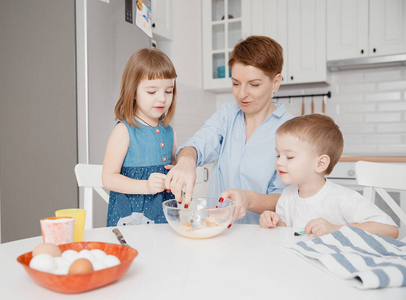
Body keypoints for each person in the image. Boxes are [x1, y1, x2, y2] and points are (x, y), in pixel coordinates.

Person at [165, 36, 293, 225]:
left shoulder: (291, 129)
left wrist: (248, 199)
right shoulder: (227, 116)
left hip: (264, 237)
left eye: (254, 85)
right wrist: (186, 161)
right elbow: (198, 143)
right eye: (235, 83)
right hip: (218, 230)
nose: (242, 94)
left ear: (275, 82)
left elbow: (288, 198)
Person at [259, 114, 399, 238]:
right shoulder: (287, 195)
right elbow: (290, 233)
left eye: (289, 157)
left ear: (320, 163)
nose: (279, 162)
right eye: (278, 155)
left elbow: (391, 230)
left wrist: (336, 229)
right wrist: (275, 222)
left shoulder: (342, 198)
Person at [102, 48, 177, 227]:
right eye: (152, 92)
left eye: (169, 91)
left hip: (164, 220)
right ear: (133, 91)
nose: (162, 99)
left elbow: (172, 168)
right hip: (130, 222)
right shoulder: (124, 131)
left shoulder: (169, 132)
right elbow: (108, 178)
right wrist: (146, 187)